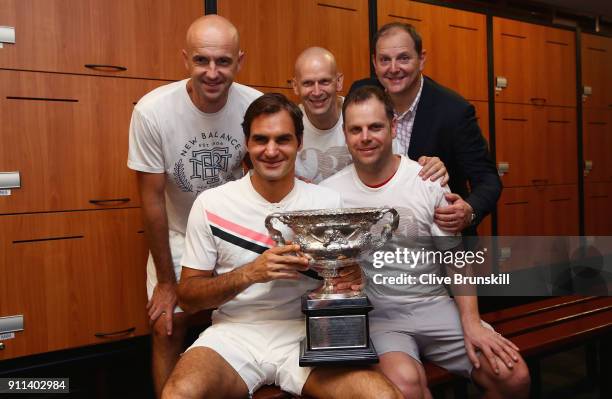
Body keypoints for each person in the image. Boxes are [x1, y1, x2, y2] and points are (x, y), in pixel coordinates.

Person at [162, 93, 402, 399]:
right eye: (261, 139)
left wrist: (350, 278)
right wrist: (250, 273)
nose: (271, 150)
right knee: (178, 394)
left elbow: (346, 278)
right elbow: (189, 296)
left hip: (305, 333)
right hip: (233, 335)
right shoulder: (212, 204)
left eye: (283, 139)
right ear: (247, 143)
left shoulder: (326, 204)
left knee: (383, 396)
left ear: (299, 143)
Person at [321, 86, 530, 398]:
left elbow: (456, 259)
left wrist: (471, 321)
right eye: (356, 129)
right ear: (345, 134)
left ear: (392, 127)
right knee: (405, 385)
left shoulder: (427, 180)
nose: (365, 137)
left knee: (514, 377)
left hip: (434, 305)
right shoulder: (331, 194)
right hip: (379, 314)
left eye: (375, 127)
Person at [127, 15, 261, 396]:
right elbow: (151, 200)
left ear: (240, 60)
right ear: (186, 59)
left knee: (252, 320)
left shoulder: (254, 106)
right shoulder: (153, 111)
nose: (213, 72)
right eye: (202, 60)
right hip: (180, 232)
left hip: (235, 232)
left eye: (224, 61)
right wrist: (168, 284)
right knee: (166, 324)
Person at [351, 23, 502, 236]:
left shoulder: (454, 111)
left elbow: (487, 179)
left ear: (421, 59)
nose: (393, 68)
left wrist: (469, 211)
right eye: (385, 59)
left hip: (439, 241)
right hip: (379, 238)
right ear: (374, 62)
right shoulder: (361, 93)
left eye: (404, 58)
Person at [293, 46, 448, 185]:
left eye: (324, 81)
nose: (317, 91)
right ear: (295, 86)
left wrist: (428, 167)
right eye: (307, 83)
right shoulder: (288, 126)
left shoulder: (364, 112)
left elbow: (400, 172)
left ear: (339, 82)